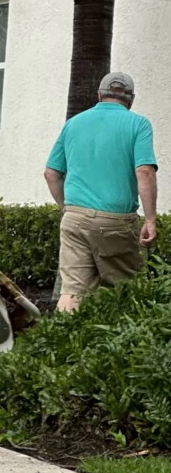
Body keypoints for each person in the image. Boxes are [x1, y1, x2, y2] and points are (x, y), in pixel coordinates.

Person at [44, 71, 158, 312]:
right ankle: (126, 346)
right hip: (115, 222)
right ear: (131, 99)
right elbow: (145, 171)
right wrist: (150, 219)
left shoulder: (73, 124)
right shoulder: (138, 124)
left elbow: (51, 174)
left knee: (72, 291)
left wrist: (67, 208)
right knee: (129, 291)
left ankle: (63, 341)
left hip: (74, 219)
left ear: (99, 95)